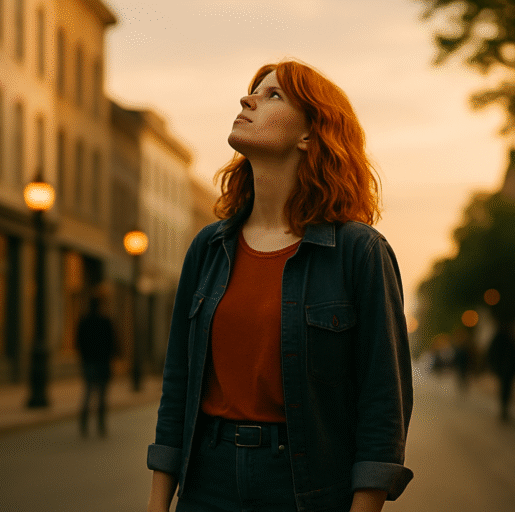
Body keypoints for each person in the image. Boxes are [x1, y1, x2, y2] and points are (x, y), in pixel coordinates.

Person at [146, 60, 413, 512]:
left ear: (310, 135)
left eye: (273, 96)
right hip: (207, 481)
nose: (248, 99)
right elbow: (178, 384)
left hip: (304, 486)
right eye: (253, 91)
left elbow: (383, 403)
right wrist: (157, 505)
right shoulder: (208, 248)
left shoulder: (359, 252)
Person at [76, 295, 117, 438]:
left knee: (88, 393)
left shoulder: (84, 321)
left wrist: (85, 358)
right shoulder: (105, 322)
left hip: (90, 363)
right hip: (102, 363)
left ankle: (84, 424)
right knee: (101, 396)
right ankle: (100, 424)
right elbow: (112, 343)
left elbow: (79, 342)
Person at [486, 321, 515, 422]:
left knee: (507, 388)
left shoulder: (509, 338)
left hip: (508, 369)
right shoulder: (503, 338)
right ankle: (504, 408)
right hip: (503, 369)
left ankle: (505, 408)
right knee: (505, 388)